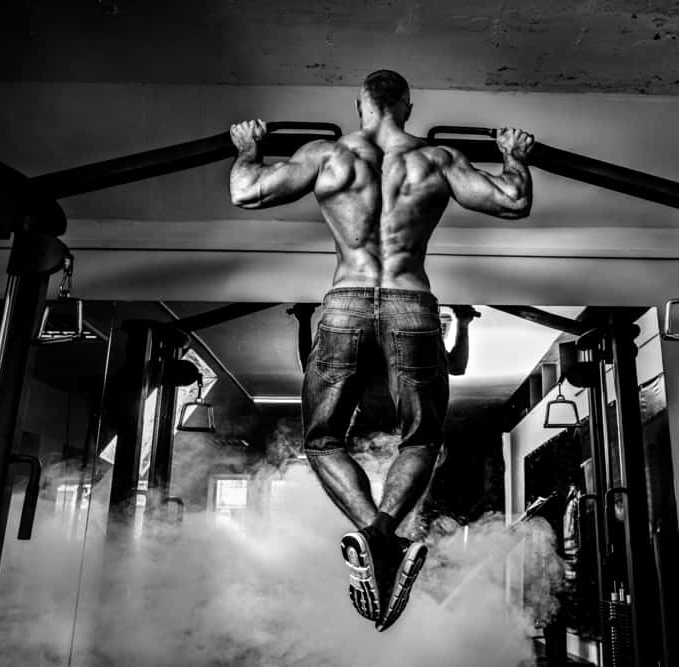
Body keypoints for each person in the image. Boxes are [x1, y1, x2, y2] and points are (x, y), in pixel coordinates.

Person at [229, 69, 534, 631]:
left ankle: (378, 535)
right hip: (411, 301)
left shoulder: (326, 154)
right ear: (409, 109)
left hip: (344, 300)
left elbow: (245, 191)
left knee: (322, 441)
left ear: (359, 105)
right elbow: (513, 201)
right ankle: (384, 534)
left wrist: (249, 148)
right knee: (422, 436)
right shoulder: (437, 159)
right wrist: (513, 155)